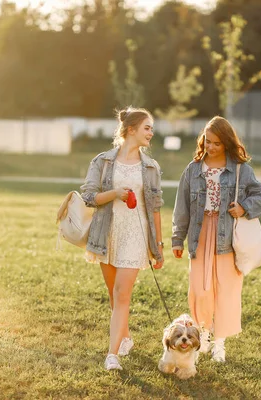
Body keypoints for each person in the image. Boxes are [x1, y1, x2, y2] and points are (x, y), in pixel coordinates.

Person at [172, 116, 261, 363]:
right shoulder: (193, 169)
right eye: (207, 141)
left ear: (226, 143)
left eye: (216, 143)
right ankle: (203, 334)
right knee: (201, 289)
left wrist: (243, 207)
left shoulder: (240, 169)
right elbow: (181, 207)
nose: (211, 147)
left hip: (227, 237)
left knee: (226, 290)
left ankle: (220, 343)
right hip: (199, 234)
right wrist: (177, 238)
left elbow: (260, 198)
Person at [80, 107, 164, 371]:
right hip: (107, 232)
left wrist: (157, 246)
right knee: (113, 294)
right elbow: (89, 197)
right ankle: (124, 336)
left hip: (136, 236)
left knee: (121, 292)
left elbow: (156, 208)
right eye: (147, 127)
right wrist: (115, 192)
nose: (151, 132)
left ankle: (112, 354)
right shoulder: (103, 161)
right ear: (131, 130)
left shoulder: (150, 167)